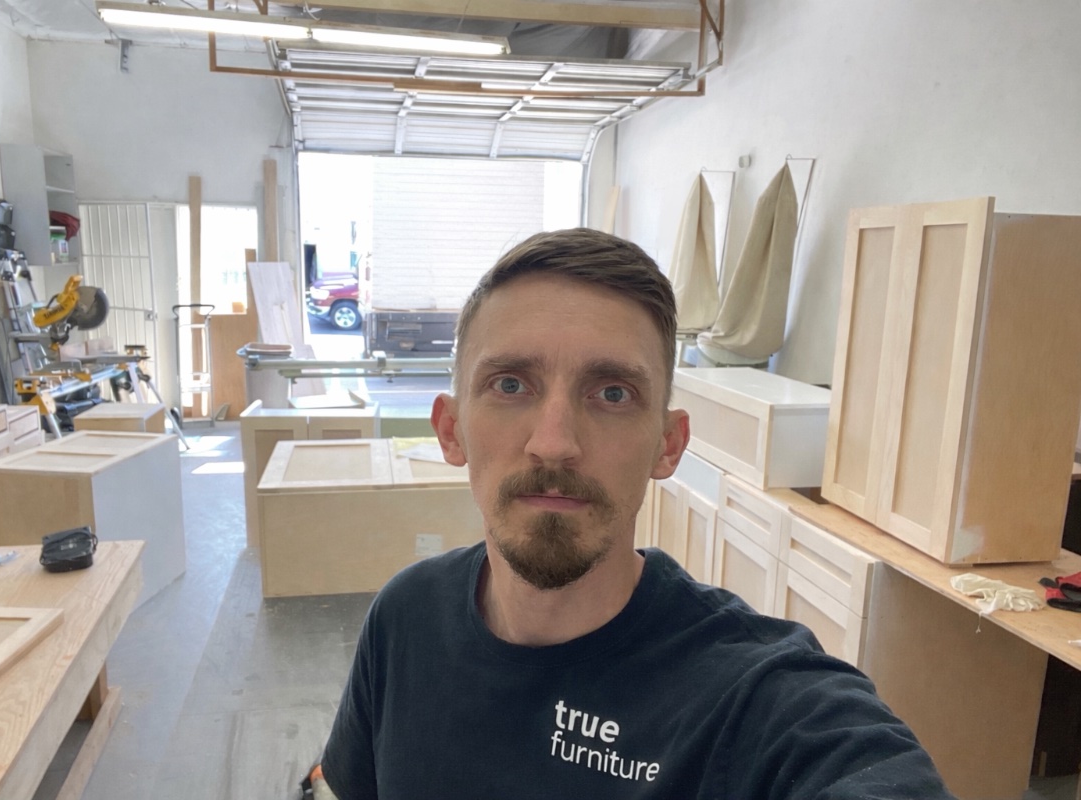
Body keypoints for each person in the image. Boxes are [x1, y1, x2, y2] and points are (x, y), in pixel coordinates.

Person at [321, 228, 954, 799]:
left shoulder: (755, 699)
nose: (555, 441)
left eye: (612, 393)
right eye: (511, 384)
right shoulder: (404, 620)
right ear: (452, 430)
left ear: (668, 444)